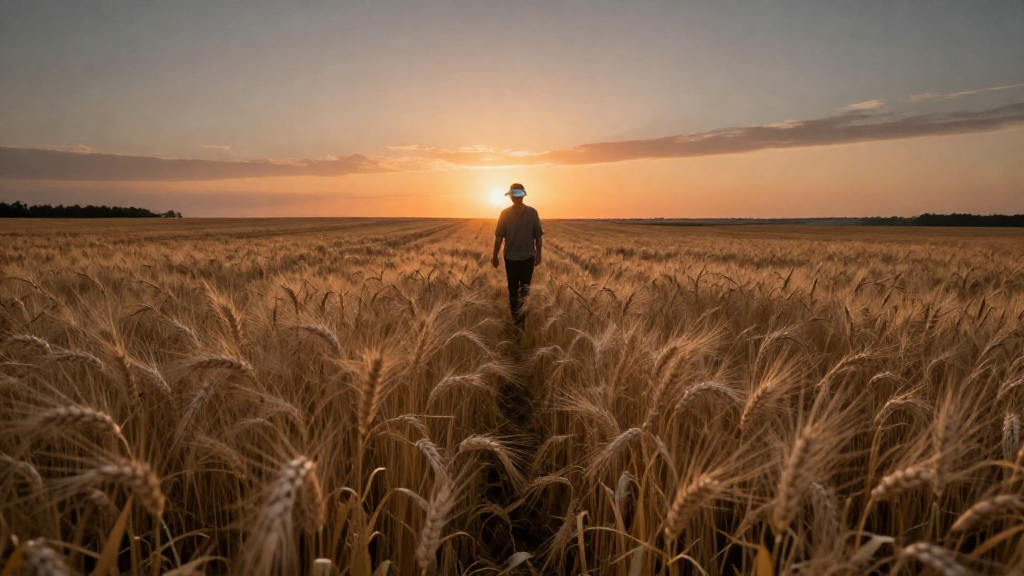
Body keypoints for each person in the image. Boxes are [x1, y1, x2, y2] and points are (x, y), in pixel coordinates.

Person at [491, 183, 543, 329]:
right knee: (513, 292)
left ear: (522, 196)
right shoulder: (504, 214)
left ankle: (523, 320)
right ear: (511, 197)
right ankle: (516, 321)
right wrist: (494, 256)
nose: (515, 198)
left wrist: (539, 254)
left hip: (527, 258)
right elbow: (499, 237)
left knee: (525, 291)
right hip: (511, 259)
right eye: (514, 195)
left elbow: (538, 236)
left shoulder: (533, 213)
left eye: (517, 195)